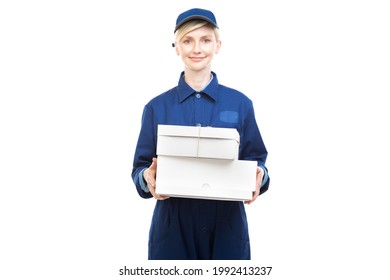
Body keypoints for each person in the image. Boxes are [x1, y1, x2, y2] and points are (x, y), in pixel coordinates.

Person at [131, 8, 270, 260]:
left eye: (205, 40)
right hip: (173, 232)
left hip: (227, 230)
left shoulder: (241, 104)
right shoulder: (155, 108)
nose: (197, 49)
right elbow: (139, 169)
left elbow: (258, 161)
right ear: (176, 47)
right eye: (188, 40)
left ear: (218, 45)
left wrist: (260, 175)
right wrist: (147, 178)